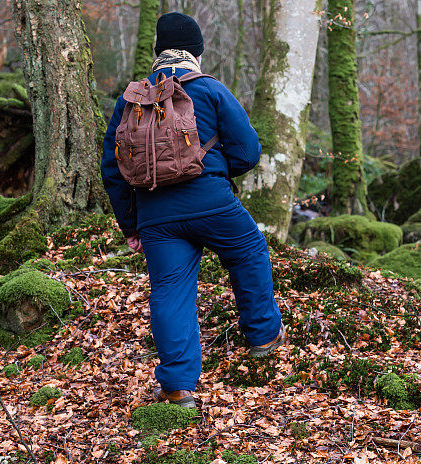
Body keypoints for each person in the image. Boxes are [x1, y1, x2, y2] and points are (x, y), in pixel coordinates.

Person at [101, 12, 285, 409]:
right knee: (249, 251)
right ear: (196, 52)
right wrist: (216, 172)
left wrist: (131, 225)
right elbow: (249, 152)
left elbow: (112, 169)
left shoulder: (131, 100)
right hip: (212, 202)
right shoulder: (210, 89)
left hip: (155, 215)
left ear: (157, 52)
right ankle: (263, 336)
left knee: (169, 291)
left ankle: (178, 387)